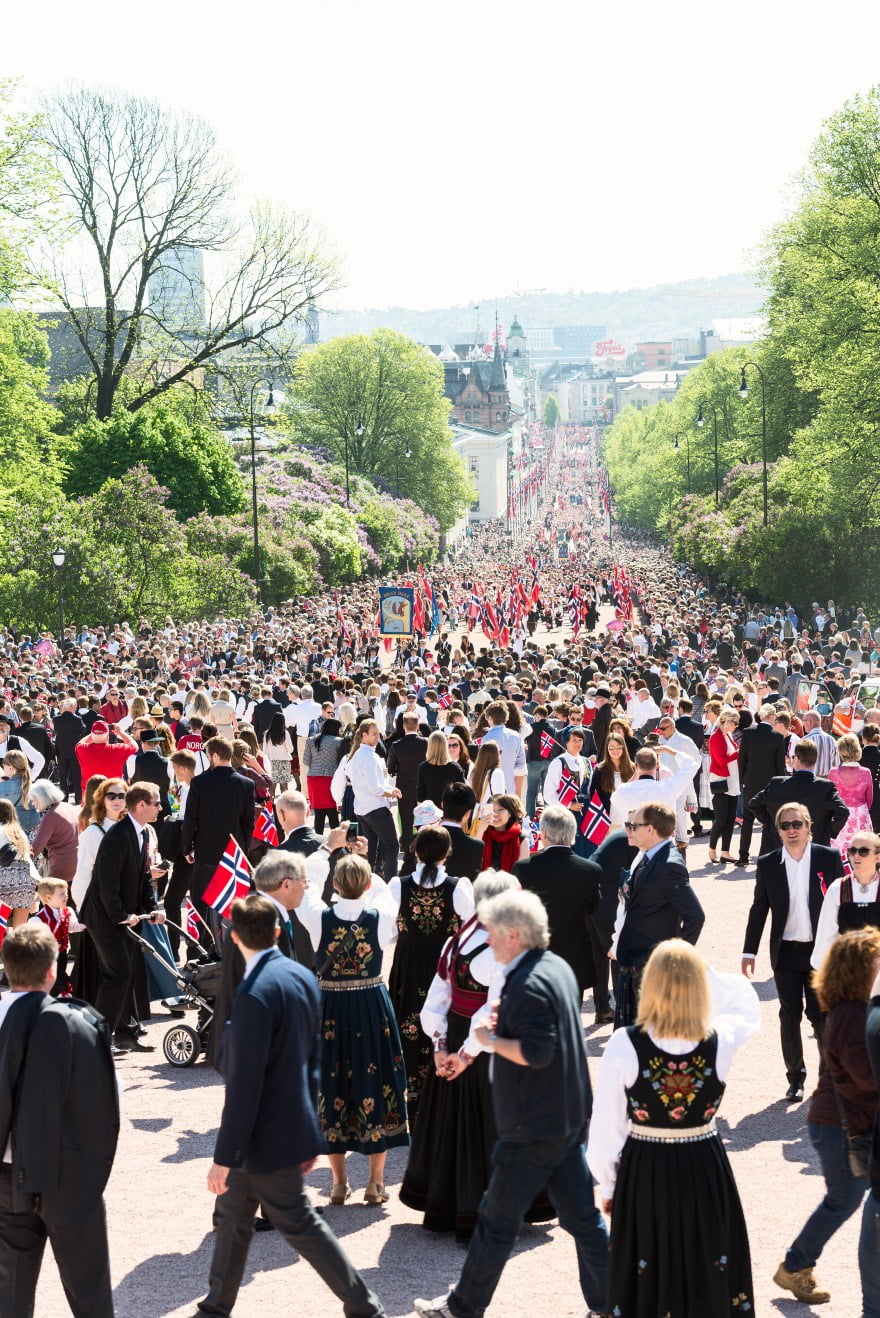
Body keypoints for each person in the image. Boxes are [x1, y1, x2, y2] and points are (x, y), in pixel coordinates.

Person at [413, 889, 608, 1318]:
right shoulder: (555, 967)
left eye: (494, 933)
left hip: (533, 1125)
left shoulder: (528, 982)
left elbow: (536, 1051)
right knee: (582, 1222)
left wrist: (488, 1041)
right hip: (566, 1115)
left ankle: (462, 1308)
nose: (488, 940)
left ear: (514, 935)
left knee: (497, 1223)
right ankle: (613, 1304)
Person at [197, 895, 388, 1318]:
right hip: (284, 1128)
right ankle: (214, 1309)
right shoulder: (301, 977)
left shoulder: (252, 995)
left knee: (299, 1225)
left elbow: (244, 1089)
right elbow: (313, 1062)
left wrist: (224, 1157)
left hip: (262, 1140)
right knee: (231, 1220)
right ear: (278, 933)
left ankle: (365, 1306)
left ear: (233, 937)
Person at [588, 939, 759, 1317]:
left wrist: (610, 1184)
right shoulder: (721, 1039)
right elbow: (745, 998)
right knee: (707, 1259)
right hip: (704, 1165)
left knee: (646, 1265)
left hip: (645, 1168)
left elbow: (605, 1129)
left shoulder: (624, 1044)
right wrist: (694, 969)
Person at [401, 869, 531, 1242]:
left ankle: (451, 1202)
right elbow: (493, 1011)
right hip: (487, 1044)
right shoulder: (501, 947)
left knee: (455, 1123)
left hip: (457, 1033)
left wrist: (441, 1046)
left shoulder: (456, 942)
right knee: (489, 1124)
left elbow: (436, 1000)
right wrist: (465, 1055)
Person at [0, 923, 119, 1318]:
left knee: (10, 1296)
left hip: (6, 1176)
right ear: (52, 970)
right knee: (90, 1295)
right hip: (69, 1173)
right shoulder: (79, 1021)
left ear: (6, 966)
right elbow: (106, 1102)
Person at [293, 854, 409, 1206]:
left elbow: (309, 884)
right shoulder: (380, 916)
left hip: (330, 1007)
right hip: (370, 1004)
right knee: (377, 1081)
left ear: (337, 886)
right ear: (367, 885)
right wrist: (367, 874)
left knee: (332, 1084)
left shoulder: (318, 916)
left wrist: (330, 851)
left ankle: (339, 1183)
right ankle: (375, 1183)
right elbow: (388, 895)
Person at [775, 928, 880, 1307]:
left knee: (848, 1198)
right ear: (859, 969)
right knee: (844, 1199)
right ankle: (794, 1266)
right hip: (838, 1124)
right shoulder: (852, 1014)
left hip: (839, 1122)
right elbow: (866, 1076)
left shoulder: (852, 1009)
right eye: (876, 962)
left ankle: (795, 1265)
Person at [742, 800, 845, 1101]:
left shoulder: (829, 858)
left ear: (809, 826)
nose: (791, 830)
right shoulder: (768, 864)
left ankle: (827, 1080)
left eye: (796, 824)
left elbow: (843, 905)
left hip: (821, 953)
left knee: (821, 1016)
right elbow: (758, 909)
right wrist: (749, 951)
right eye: (784, 825)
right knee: (790, 1015)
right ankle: (795, 1077)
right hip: (785, 953)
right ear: (777, 831)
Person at [389, 823, 475, 1117]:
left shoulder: (397, 885)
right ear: (447, 853)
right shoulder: (459, 886)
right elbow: (472, 930)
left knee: (407, 1024)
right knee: (444, 1021)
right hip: (445, 964)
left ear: (414, 850)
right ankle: (441, 1093)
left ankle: (410, 1098)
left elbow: (387, 932)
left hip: (408, 964)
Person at [79, 782, 166, 1053]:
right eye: (156, 803)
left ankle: (126, 1034)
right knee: (119, 973)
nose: (160, 808)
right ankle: (92, 1040)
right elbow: (106, 883)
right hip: (104, 917)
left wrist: (153, 907)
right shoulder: (118, 835)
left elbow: (141, 878)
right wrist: (120, 916)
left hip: (125, 916)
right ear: (141, 805)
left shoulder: (142, 833)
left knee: (126, 974)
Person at [612, 800, 705, 1028]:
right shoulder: (648, 856)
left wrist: (674, 961)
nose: (630, 830)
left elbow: (695, 917)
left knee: (649, 1042)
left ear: (650, 829)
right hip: (633, 962)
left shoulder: (668, 865)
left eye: (635, 826)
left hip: (652, 969)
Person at [513, 803, 603, 1006]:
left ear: (543, 833)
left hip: (536, 956)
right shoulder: (591, 870)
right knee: (570, 1019)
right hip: (575, 955)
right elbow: (593, 907)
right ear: (572, 833)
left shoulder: (525, 869)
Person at [181, 736, 256, 928]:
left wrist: (186, 847)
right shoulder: (246, 784)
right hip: (233, 851)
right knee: (232, 903)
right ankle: (229, 946)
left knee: (201, 901)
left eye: (207, 755)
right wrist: (243, 850)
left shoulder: (199, 782)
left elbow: (191, 818)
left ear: (215, 755)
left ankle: (204, 946)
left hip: (206, 851)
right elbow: (248, 823)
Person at [748, 737, 849, 853]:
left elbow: (754, 804)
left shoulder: (777, 784)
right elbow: (843, 812)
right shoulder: (825, 787)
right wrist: (827, 830)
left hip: (778, 847)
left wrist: (772, 823)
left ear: (797, 759)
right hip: (813, 846)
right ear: (815, 760)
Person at [813, 830, 880, 968]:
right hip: (849, 975)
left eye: (863, 851)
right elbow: (826, 934)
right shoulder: (838, 889)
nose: (856, 855)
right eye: (852, 851)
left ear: (877, 857)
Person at [347, 719, 402, 878]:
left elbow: (368, 782)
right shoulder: (367, 756)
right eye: (374, 734)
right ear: (364, 735)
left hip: (362, 808)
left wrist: (390, 788)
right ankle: (390, 883)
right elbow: (375, 788)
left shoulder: (359, 754)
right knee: (391, 846)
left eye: (378, 734)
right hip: (374, 808)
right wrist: (391, 792)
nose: (377, 737)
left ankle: (365, 881)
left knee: (370, 849)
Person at [737, 703, 788, 866]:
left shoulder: (748, 733)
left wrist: (742, 781)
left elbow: (741, 760)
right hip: (770, 785)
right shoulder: (778, 737)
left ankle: (743, 856)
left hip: (750, 782)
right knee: (770, 821)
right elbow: (780, 766)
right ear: (772, 717)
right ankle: (768, 855)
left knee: (748, 819)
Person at [609, 742, 699, 828]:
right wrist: (667, 749)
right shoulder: (668, 788)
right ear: (657, 766)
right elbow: (692, 765)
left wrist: (636, 773)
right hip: (663, 842)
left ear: (636, 767)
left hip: (634, 841)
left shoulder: (623, 791)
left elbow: (614, 798)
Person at [387, 713, 427, 852]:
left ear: (404, 726)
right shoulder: (426, 743)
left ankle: (406, 846)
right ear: (418, 725)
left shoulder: (397, 745)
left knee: (406, 820)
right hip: (423, 787)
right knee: (424, 820)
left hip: (404, 787)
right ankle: (422, 846)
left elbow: (390, 768)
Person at [829, 733, 875, 856]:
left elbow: (830, 798)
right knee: (863, 853)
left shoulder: (833, 772)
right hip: (860, 816)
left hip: (840, 817)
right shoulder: (866, 772)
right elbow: (869, 798)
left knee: (839, 853)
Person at [707, 706, 741, 863]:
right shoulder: (716, 737)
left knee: (730, 819)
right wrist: (737, 753)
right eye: (735, 722)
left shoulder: (728, 735)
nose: (737, 725)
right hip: (721, 780)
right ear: (727, 721)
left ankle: (725, 851)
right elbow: (720, 760)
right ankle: (712, 848)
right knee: (721, 819)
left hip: (732, 780)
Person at [28, 781, 79, 885]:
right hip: (77, 863)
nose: (33, 804)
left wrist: (16, 853)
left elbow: (34, 850)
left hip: (61, 868)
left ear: (41, 798)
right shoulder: (68, 806)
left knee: (48, 899)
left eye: (34, 800)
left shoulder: (50, 816)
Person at [0, 800, 39, 928]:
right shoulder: (19, 832)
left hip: (4, 881)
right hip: (26, 881)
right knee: (20, 929)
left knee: (1, 927)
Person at [479, 700, 526, 801]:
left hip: (491, 793)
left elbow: (482, 767)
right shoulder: (515, 736)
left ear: (490, 718)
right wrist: (518, 797)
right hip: (510, 792)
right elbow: (520, 769)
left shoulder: (487, 739)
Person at [302, 717, 344, 832]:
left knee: (318, 815)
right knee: (333, 815)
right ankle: (336, 845)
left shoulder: (311, 740)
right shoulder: (339, 741)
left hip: (314, 779)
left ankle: (318, 842)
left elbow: (305, 761)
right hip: (331, 779)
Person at [480, 793, 530, 871]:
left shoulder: (522, 839)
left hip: (510, 882)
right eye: (492, 810)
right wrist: (481, 828)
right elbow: (472, 861)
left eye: (500, 809)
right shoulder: (482, 834)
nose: (496, 814)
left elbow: (522, 872)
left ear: (509, 813)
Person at [416, 731, 466, 808]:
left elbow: (420, 796)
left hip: (430, 813)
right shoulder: (455, 768)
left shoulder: (423, 767)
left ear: (430, 746)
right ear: (445, 745)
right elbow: (461, 794)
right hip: (450, 812)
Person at [261, 710, 294, 794]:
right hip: (283, 761)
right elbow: (290, 749)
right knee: (284, 787)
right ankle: (284, 806)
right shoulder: (285, 733)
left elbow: (264, 750)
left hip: (271, 762)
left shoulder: (267, 734)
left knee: (271, 787)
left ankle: (270, 806)